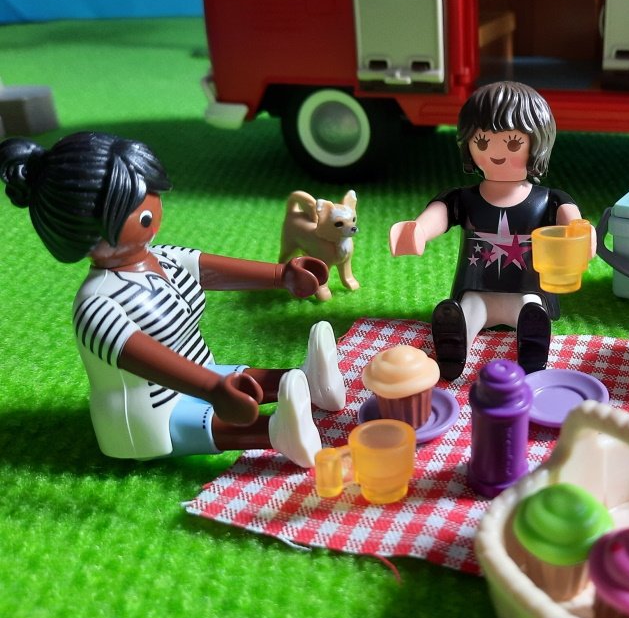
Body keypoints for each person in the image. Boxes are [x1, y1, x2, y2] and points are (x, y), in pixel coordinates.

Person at [1, 132, 346, 467]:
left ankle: (307, 381)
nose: (154, 211)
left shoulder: (163, 257)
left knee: (236, 380)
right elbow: (143, 358)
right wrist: (212, 389)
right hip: (151, 407)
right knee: (194, 417)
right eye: (139, 211)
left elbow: (210, 269)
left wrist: (282, 275)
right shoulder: (97, 305)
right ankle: (276, 432)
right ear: (84, 230)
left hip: (202, 372)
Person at [390, 81, 592, 380]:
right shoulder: (464, 198)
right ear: (468, 145)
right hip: (477, 289)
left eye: (513, 144)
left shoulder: (547, 199)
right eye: (482, 142)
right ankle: (455, 343)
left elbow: (571, 218)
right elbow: (440, 213)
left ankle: (532, 345)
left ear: (537, 144)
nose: (496, 153)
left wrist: (579, 232)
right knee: (468, 310)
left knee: (530, 308)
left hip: (527, 289)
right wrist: (419, 230)